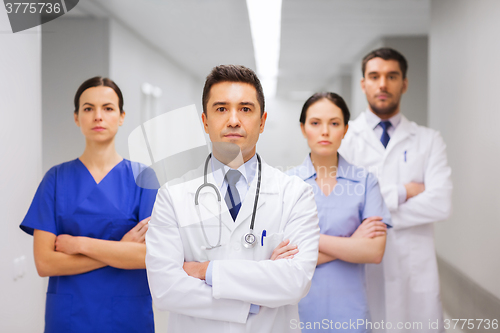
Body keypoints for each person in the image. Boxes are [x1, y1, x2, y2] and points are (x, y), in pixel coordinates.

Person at [145, 65, 320, 333]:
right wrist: (250, 299)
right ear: (205, 121)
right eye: (221, 109)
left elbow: (295, 281)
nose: (234, 120)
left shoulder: (295, 193)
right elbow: (165, 289)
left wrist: (206, 271)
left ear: (262, 122)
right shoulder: (173, 195)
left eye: (246, 109)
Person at [20, 77, 158, 333]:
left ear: (121, 116)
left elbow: (148, 256)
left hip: (126, 315)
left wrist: (79, 244)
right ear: (76, 118)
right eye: (88, 108)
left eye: (107, 108)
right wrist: (119, 249)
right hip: (70, 317)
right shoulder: (56, 179)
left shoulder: (143, 178)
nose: (98, 116)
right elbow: (45, 263)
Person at [338, 48, 452, 332]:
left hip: (414, 273)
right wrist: (403, 192)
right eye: (374, 76)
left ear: (404, 83)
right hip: (362, 272)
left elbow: (440, 203)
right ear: (363, 83)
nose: (382, 84)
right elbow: (342, 206)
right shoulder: (344, 138)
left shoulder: (428, 140)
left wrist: (371, 213)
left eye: (392, 76)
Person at [287, 92, 391, 332]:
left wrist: (307, 242)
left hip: (350, 312)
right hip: (298, 313)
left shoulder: (365, 182)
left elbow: (374, 251)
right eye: (315, 123)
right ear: (303, 129)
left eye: (334, 123)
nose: (325, 131)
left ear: (345, 129)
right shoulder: (286, 184)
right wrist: (352, 243)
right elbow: (283, 260)